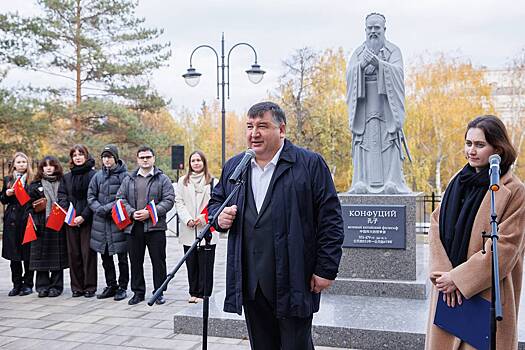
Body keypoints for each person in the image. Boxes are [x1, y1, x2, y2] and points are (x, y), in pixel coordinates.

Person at [209, 101, 344, 350]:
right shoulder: (236, 167)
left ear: (281, 130)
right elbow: (216, 202)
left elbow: (331, 220)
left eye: (262, 126)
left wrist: (326, 269)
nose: (254, 133)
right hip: (250, 280)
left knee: (296, 345)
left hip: (294, 277)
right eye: (249, 126)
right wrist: (218, 217)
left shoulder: (309, 164)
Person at [425, 115, 525, 350]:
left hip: (485, 296)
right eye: (468, 143)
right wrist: (444, 276)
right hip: (447, 294)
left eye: (479, 145)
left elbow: (505, 249)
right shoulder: (457, 181)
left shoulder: (514, 191)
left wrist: (459, 279)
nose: (471, 150)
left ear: (497, 149)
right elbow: (435, 225)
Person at [346, 12, 410, 194]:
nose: (373, 32)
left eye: (377, 28)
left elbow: (398, 74)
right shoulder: (358, 52)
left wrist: (380, 64)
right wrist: (360, 67)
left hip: (386, 106)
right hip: (364, 106)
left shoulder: (393, 51)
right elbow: (349, 76)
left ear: (384, 29)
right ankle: (361, 181)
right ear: (365, 29)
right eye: (370, 28)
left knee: (389, 140)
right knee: (363, 142)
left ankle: (392, 181)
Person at [117, 145, 175, 305]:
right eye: (142, 157)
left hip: (155, 227)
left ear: (153, 158)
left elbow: (169, 199)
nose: (145, 160)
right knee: (135, 261)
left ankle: (159, 291)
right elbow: (120, 198)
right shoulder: (128, 178)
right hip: (134, 227)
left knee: (158, 260)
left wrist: (151, 212)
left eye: (148, 157)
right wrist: (131, 212)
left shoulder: (162, 179)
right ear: (137, 159)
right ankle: (138, 292)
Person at [87, 144, 129, 301]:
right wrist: (98, 208)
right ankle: (111, 285)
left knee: (122, 258)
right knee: (105, 258)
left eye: (109, 156)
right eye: (104, 157)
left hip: (118, 222)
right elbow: (90, 196)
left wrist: (107, 208)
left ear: (115, 158)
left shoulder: (125, 176)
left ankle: (123, 287)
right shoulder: (97, 176)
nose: (107, 160)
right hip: (101, 223)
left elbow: (124, 197)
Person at [175, 150, 218, 303]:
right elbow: (179, 202)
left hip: (206, 228)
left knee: (206, 264)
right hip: (189, 229)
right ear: (189, 164)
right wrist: (187, 219)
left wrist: (203, 218)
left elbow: (216, 203)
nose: (196, 163)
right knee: (191, 263)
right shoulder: (182, 181)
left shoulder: (213, 181)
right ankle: (193, 292)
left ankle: (204, 293)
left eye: (199, 160)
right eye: (193, 161)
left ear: (204, 162)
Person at [58, 144, 97, 297]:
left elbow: (93, 198)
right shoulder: (66, 177)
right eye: (74, 155)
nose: (78, 157)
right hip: (71, 220)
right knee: (74, 254)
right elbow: (62, 196)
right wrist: (70, 214)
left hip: (88, 219)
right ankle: (77, 287)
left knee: (88, 254)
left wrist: (84, 216)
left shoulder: (94, 175)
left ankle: (89, 287)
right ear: (72, 159)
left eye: (80, 154)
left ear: (86, 156)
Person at [27, 156, 68, 297]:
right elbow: (28, 206)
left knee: (57, 258)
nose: (49, 168)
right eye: (45, 165)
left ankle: (56, 287)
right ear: (42, 168)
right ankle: (42, 287)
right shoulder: (34, 184)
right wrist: (35, 211)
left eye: (52, 165)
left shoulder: (63, 182)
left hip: (58, 223)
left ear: (56, 167)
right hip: (41, 224)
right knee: (41, 257)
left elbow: (66, 200)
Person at [1, 152, 34, 296]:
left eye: (24, 162)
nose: (21, 165)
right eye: (19, 162)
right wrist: (6, 194)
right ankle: (16, 284)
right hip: (12, 221)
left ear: (28, 164)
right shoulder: (8, 179)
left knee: (27, 254)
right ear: (14, 164)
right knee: (14, 255)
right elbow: (2, 200)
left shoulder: (32, 180)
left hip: (26, 220)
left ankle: (28, 284)